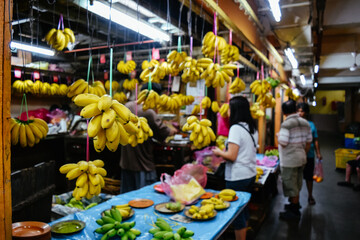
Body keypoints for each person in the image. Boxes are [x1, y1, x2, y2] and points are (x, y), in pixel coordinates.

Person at [212, 96, 258, 240]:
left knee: (236, 213)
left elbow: (232, 156)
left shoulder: (236, 129)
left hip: (238, 176)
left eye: (230, 109)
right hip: (250, 173)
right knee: (244, 207)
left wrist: (218, 152)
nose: (228, 112)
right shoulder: (252, 128)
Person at [120, 82, 177, 193]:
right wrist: (172, 130)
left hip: (126, 161)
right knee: (144, 196)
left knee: (127, 197)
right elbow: (162, 132)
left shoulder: (127, 106)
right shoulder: (148, 112)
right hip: (143, 164)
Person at [277, 100, 312, 221]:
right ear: (296, 109)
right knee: (297, 183)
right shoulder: (305, 123)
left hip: (290, 160)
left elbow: (283, 142)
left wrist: (278, 136)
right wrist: (303, 153)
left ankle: (294, 212)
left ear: (283, 112)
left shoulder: (287, 124)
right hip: (301, 158)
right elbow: (308, 142)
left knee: (291, 185)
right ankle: (293, 205)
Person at [297, 102, 322, 205]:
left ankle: (310, 195)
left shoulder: (311, 125)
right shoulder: (295, 124)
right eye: (298, 111)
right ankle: (295, 199)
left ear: (306, 112)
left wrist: (318, 153)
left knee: (308, 177)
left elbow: (315, 140)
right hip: (297, 155)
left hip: (309, 155)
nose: (300, 113)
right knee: (297, 178)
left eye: (302, 111)